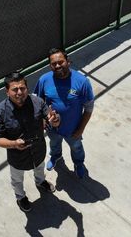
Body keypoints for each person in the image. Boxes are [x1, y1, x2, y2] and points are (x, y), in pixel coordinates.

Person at [0, 72, 60, 212]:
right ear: (7, 91)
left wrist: (55, 120)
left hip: (38, 150)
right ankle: (20, 197)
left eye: (22, 88)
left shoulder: (38, 102)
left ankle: (40, 182)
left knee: (40, 170)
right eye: (14, 89)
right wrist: (14, 144)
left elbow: (50, 117)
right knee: (17, 180)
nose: (19, 92)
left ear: (27, 88)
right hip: (17, 158)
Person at [34, 48, 94, 179]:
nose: (57, 66)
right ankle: (56, 156)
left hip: (73, 129)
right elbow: (38, 102)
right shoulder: (44, 80)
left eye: (60, 62)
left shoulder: (82, 81)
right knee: (54, 144)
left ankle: (79, 164)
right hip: (52, 128)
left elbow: (89, 107)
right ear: (50, 66)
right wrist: (43, 120)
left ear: (68, 62)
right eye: (53, 64)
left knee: (77, 148)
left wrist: (81, 129)